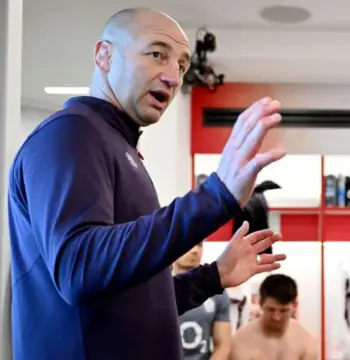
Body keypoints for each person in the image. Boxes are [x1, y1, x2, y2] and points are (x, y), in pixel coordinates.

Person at [8, 7, 287, 360]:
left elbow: (132, 300)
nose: (173, 76)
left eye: (183, 66)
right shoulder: (72, 132)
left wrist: (212, 276)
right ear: (104, 55)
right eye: (157, 54)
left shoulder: (118, 147)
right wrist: (218, 195)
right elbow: (79, 269)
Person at [230, 274, 318, 360]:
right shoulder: (242, 340)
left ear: (295, 305)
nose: (276, 317)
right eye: (271, 309)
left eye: (283, 310)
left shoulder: (305, 340)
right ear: (260, 303)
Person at [174, 242, 232, 360]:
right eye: (190, 242)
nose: (195, 250)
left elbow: (223, 345)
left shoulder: (217, 293)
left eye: (199, 244)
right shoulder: (159, 291)